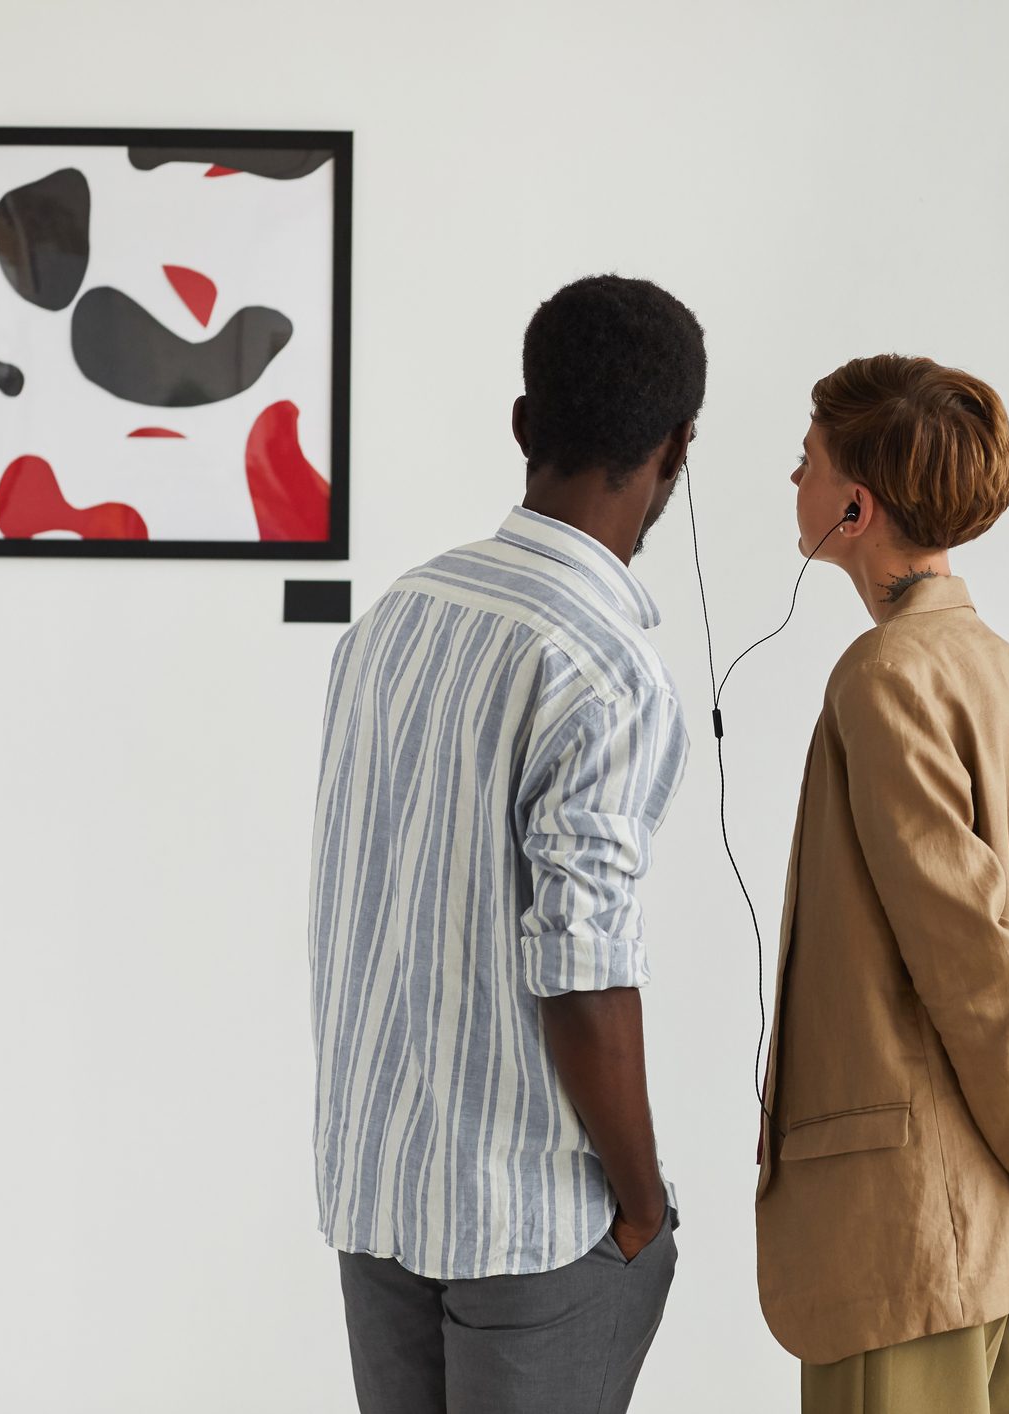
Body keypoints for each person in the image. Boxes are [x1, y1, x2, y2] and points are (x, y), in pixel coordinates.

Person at [308, 275, 703, 1414]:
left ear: (525, 424)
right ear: (676, 451)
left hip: (380, 1194)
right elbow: (583, 972)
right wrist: (641, 1205)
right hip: (532, 1220)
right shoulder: (605, 665)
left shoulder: (396, 615)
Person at [755, 354, 1009, 1414]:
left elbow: (967, 955)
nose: (791, 483)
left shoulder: (886, 678)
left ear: (855, 506)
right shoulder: (1005, 673)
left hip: (916, 1236)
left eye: (804, 464)